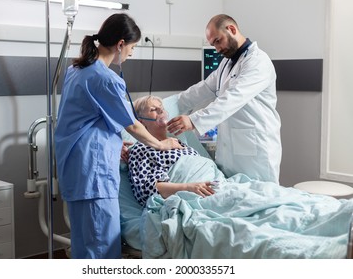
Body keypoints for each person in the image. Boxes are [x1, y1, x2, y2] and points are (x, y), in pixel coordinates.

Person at [54, 14, 182, 259]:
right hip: (94, 176)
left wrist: (112, 142)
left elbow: (85, 118)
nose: (132, 54)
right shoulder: (105, 79)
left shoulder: (76, 70)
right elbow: (133, 125)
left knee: (83, 246)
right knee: (102, 248)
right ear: (121, 44)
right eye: (132, 48)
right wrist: (161, 144)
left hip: (76, 168)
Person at [167, 14, 282, 184]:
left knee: (258, 198)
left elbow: (232, 98)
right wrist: (169, 104)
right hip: (231, 150)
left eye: (218, 41)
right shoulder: (227, 63)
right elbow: (204, 88)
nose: (217, 49)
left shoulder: (258, 62)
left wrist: (193, 120)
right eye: (213, 44)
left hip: (255, 150)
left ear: (232, 30)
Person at [128, 95, 216, 207]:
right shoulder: (141, 149)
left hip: (213, 186)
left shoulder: (178, 142)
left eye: (161, 107)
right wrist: (189, 188)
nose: (161, 110)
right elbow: (146, 190)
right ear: (141, 122)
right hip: (192, 196)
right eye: (153, 109)